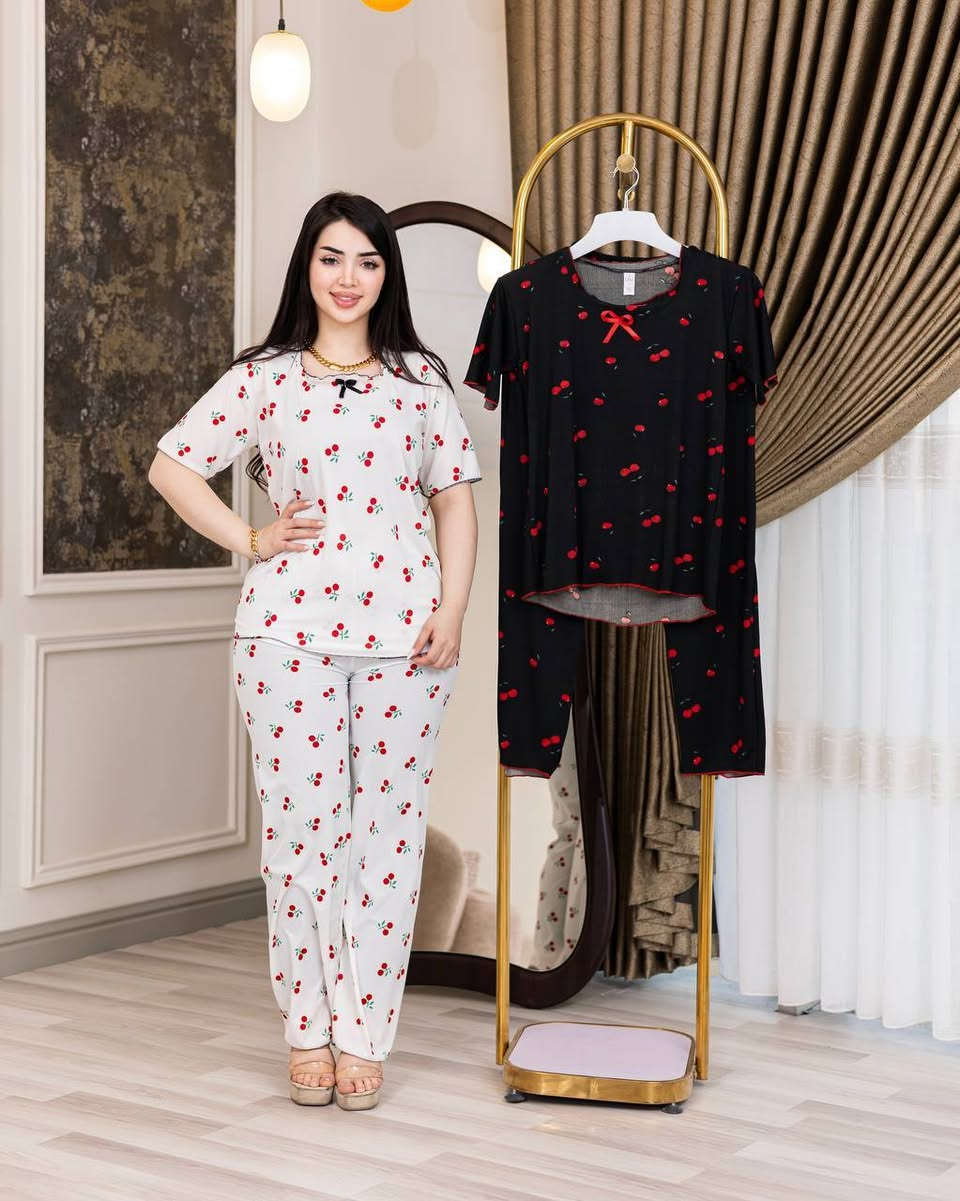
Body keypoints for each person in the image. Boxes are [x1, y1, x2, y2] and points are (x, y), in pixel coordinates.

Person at [149, 192, 482, 1109]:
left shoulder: (420, 379)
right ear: (308, 265)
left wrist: (453, 609)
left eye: (367, 261)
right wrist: (250, 539)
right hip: (285, 635)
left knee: (387, 836)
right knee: (302, 834)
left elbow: (455, 500)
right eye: (332, 258)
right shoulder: (263, 377)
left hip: (406, 639)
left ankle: (364, 1033)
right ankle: (307, 1026)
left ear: (386, 275)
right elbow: (172, 464)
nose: (348, 278)